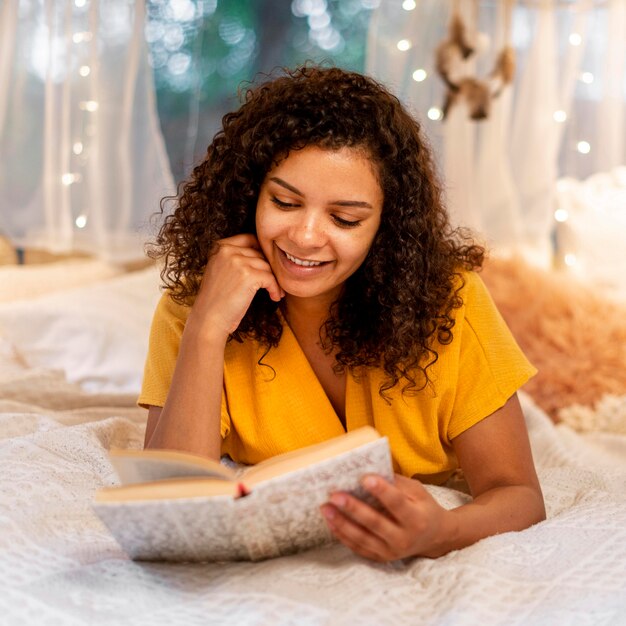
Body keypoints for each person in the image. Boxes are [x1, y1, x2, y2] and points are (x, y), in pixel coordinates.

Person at [139, 65, 545, 562]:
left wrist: (441, 531)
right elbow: (170, 502)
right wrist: (205, 330)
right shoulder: (191, 307)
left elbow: (518, 495)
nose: (305, 237)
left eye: (344, 218)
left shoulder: (451, 301)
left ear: (386, 225)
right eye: (285, 202)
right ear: (250, 194)